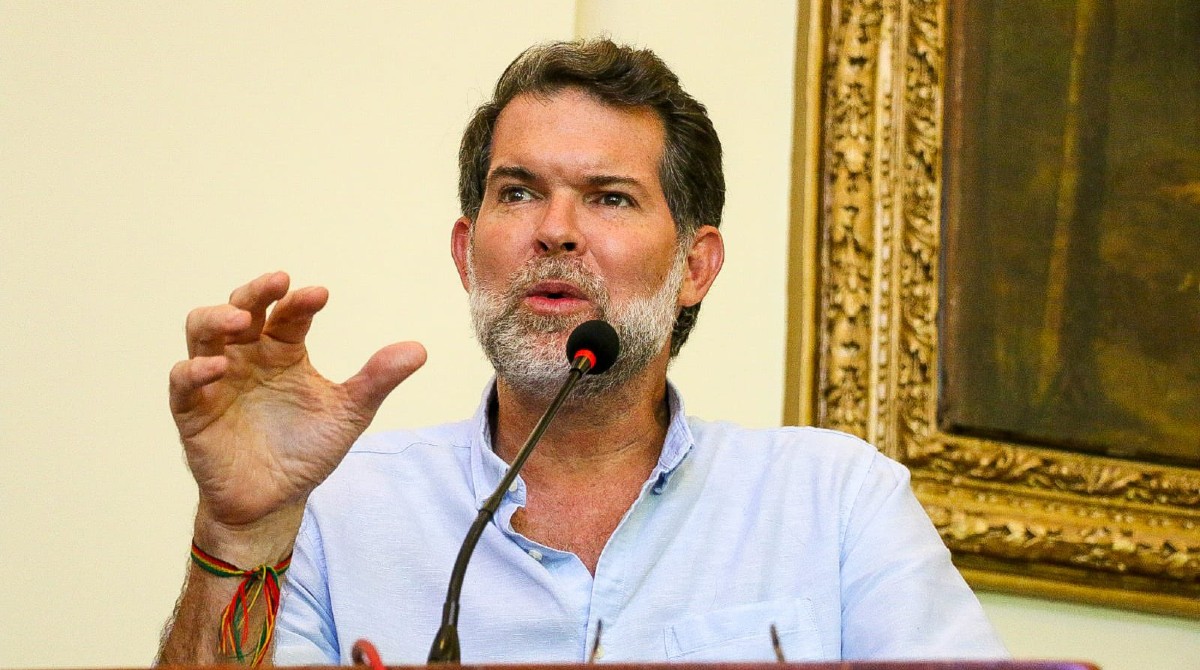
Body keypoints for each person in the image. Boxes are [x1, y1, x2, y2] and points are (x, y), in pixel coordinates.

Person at [157, 39, 1007, 665]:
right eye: (518, 192)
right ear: (467, 253)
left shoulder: (836, 504)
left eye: (609, 198)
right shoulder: (337, 511)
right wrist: (240, 531)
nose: (555, 231)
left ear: (695, 268)